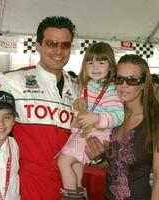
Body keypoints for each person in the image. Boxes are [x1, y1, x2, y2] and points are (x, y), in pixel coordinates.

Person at [0, 16, 78, 200]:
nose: (58, 50)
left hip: (69, 185)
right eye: (51, 43)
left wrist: (97, 156)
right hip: (27, 186)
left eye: (65, 45)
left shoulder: (80, 87)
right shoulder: (12, 80)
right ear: (38, 46)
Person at [86, 54, 159, 200]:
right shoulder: (112, 117)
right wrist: (99, 159)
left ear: (144, 84)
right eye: (119, 79)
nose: (124, 85)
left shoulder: (157, 122)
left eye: (132, 80)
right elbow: (116, 166)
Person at [57, 42, 124, 199]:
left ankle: (70, 196)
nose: (95, 67)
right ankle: (79, 191)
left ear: (111, 66)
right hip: (84, 133)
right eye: (90, 62)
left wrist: (97, 118)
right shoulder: (87, 85)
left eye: (101, 62)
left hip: (96, 135)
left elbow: (119, 116)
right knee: (76, 163)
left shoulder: (111, 89)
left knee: (63, 161)